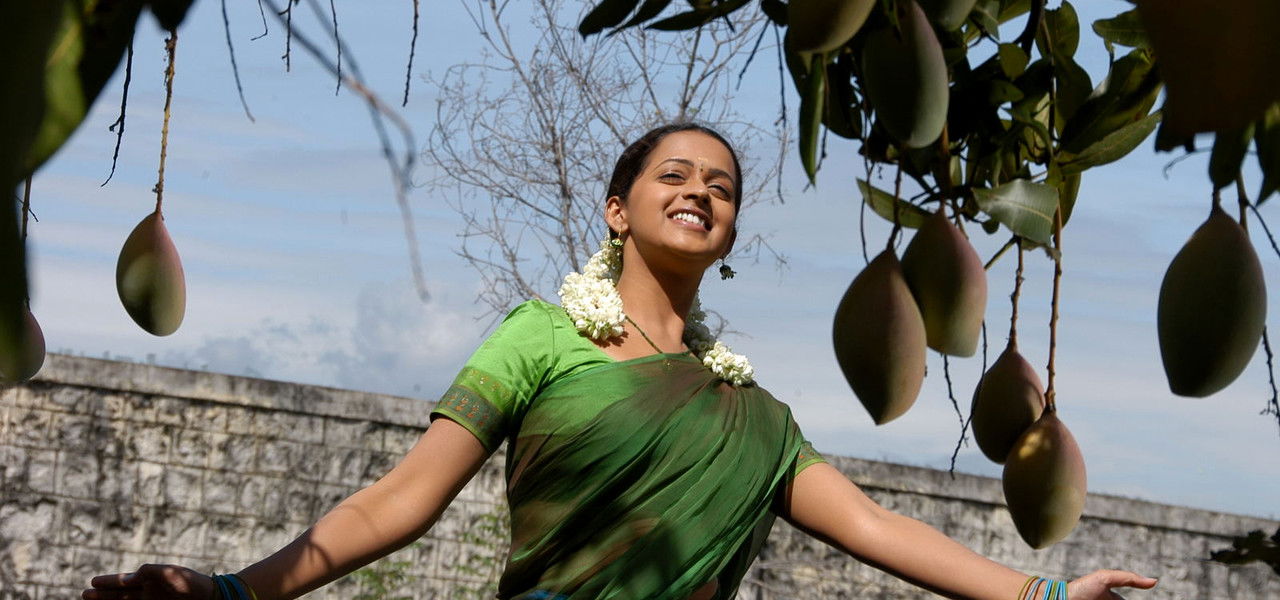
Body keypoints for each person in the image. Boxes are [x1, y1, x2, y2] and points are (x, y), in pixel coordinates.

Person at [84, 124, 1158, 600]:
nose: (701, 192)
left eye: (723, 187)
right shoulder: (538, 339)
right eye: (675, 176)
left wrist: (1045, 596)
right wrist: (233, 593)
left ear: (730, 230)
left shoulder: (753, 413)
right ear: (619, 206)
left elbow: (877, 528)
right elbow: (393, 507)